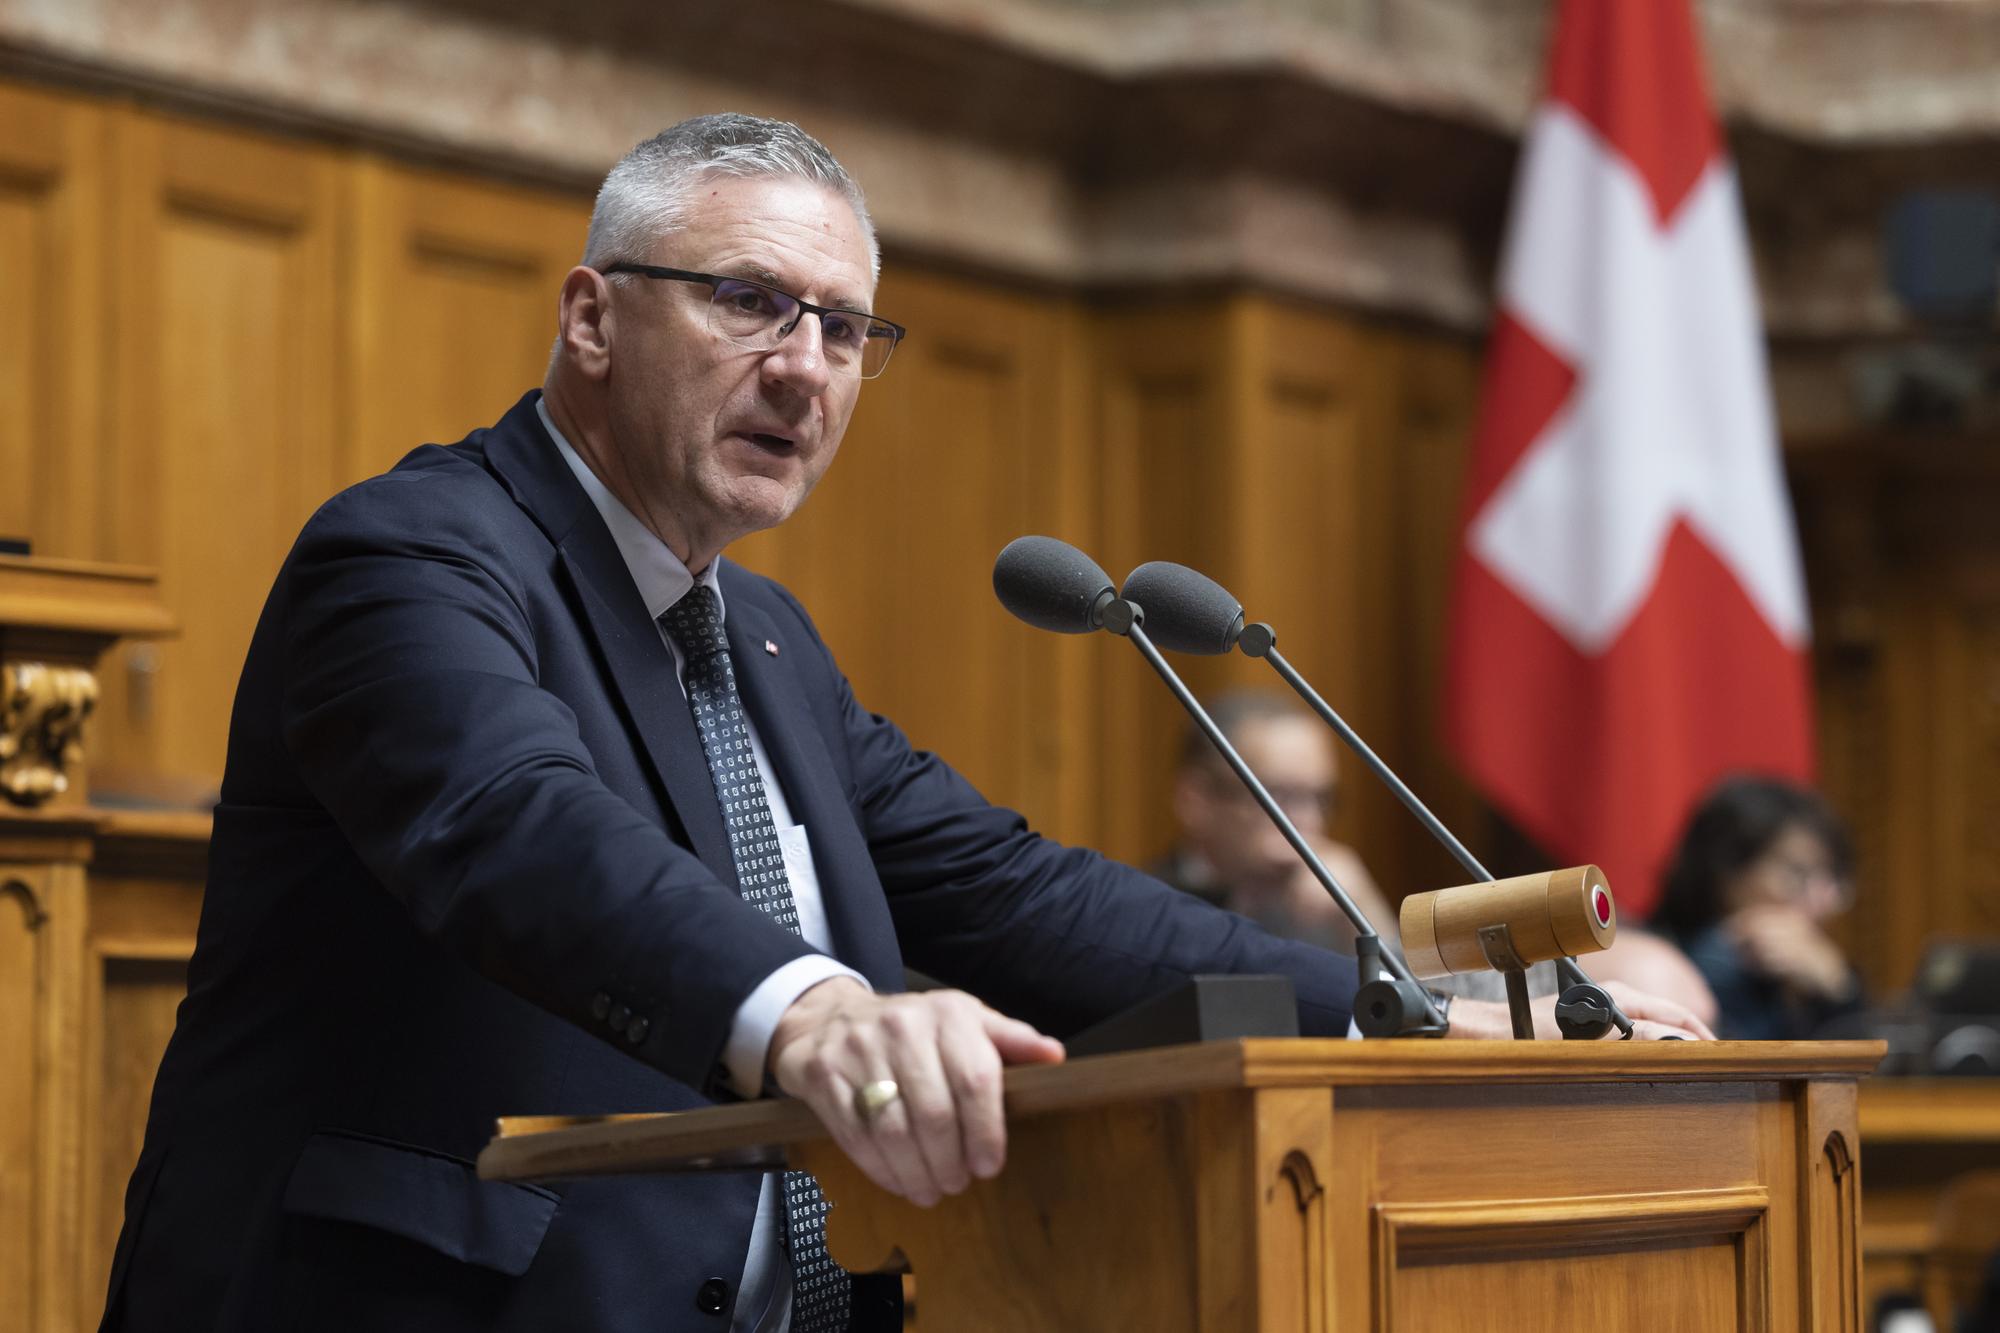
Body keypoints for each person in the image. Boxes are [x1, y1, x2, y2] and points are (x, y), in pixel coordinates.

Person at [99, 114, 1710, 1333]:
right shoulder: (414, 556)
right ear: (592, 317)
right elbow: (519, 828)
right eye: (748, 302)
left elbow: (1018, 894)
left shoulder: (770, 642)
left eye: (846, 328)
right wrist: (806, 1009)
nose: (806, 369)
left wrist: (1398, 1019)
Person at [1158, 690, 1398, 953]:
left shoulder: (1329, 912)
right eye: (1279, 795)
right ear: (1197, 800)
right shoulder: (1149, 912)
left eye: (1321, 798)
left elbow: (1416, 993)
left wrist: (1364, 915)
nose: (1311, 821)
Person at [1651, 775, 1865, 1041]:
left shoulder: (1787, 973)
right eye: (1798, 873)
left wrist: (1837, 986)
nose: (1826, 902)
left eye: (1832, 878)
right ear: (1726, 871)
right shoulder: (1688, 964)